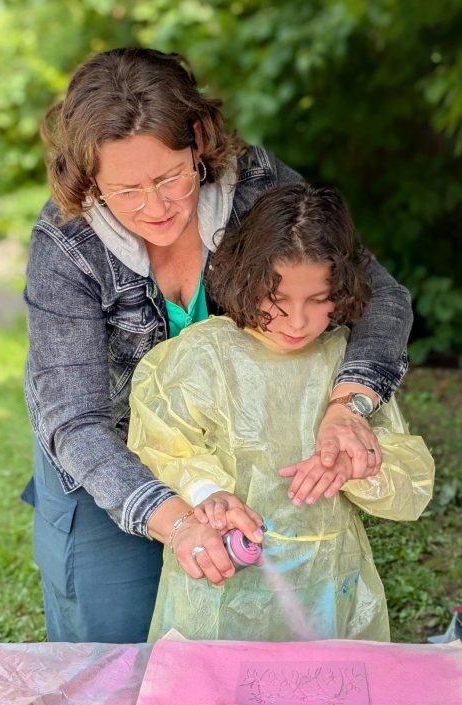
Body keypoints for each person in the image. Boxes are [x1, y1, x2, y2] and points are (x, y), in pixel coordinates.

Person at [23, 47, 414, 644]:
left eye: (169, 177)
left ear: (198, 141)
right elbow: (74, 421)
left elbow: (380, 296)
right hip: (109, 458)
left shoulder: (256, 187)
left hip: (223, 455)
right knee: (114, 647)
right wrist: (178, 521)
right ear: (89, 180)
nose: (155, 208)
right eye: (126, 191)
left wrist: (348, 404)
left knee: (246, 641)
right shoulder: (67, 243)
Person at [127, 183, 434, 642]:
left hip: (327, 583)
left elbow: (410, 486)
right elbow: (160, 444)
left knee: (325, 701)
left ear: (344, 288)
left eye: (318, 300)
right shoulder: (203, 356)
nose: (297, 321)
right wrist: (207, 492)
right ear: (247, 278)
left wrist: (364, 468)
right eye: (278, 299)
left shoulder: (344, 369)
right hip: (220, 585)